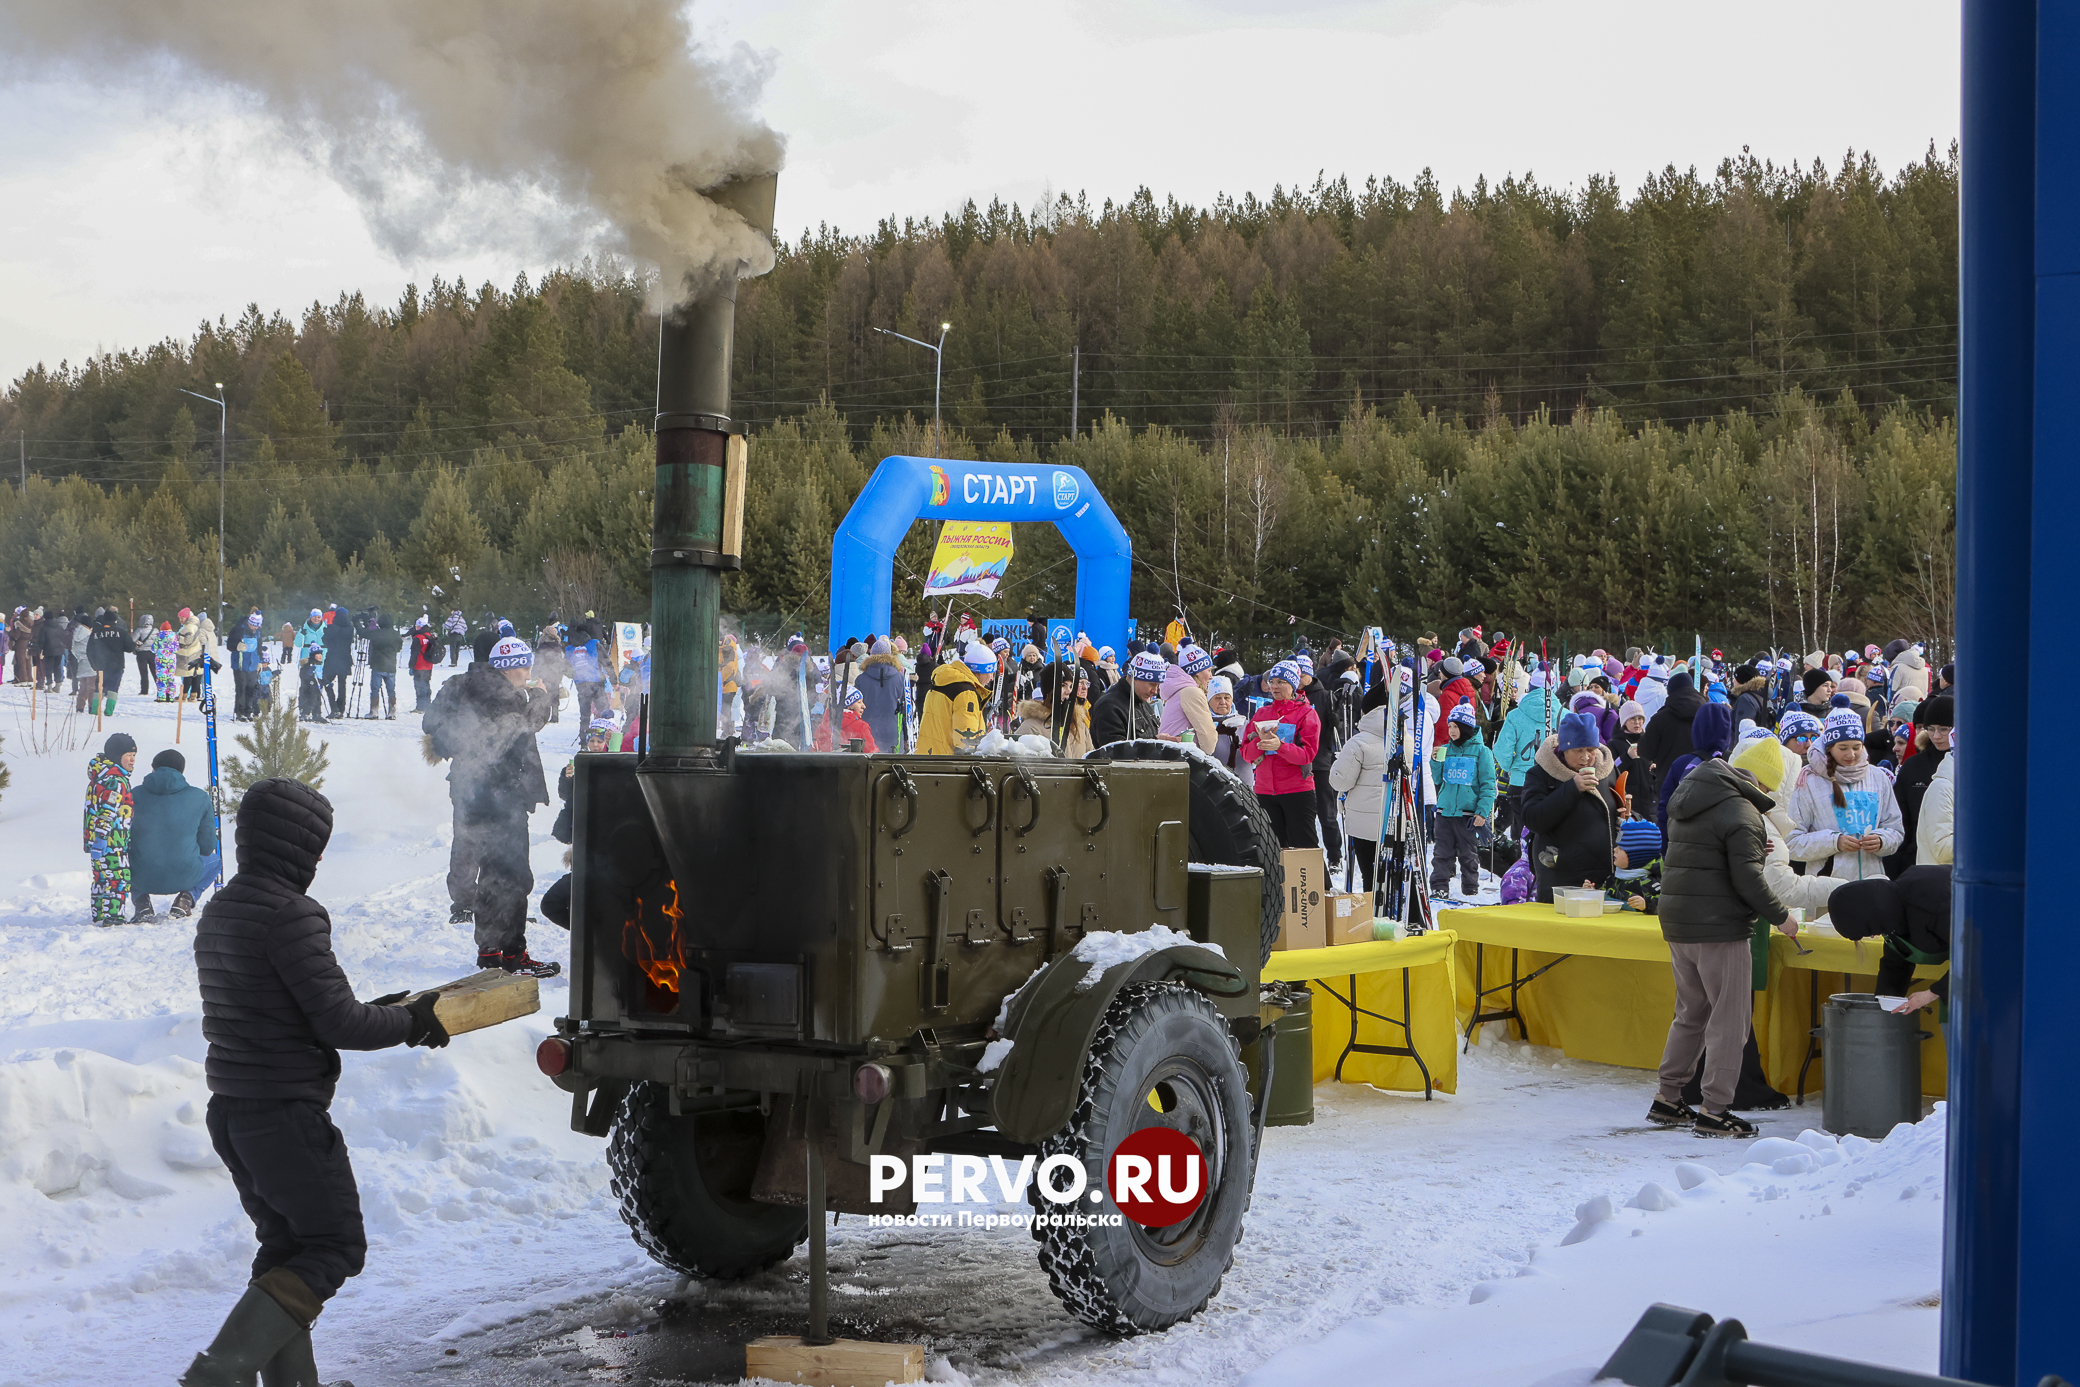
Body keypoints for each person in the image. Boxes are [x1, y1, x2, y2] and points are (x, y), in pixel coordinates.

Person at [180, 777, 447, 1387]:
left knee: (286, 1249)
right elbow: (336, 1019)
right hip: (284, 1116)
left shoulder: (222, 908)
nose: (319, 861)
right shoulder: (291, 912)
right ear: (295, 846)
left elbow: (283, 1006)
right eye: (316, 847)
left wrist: (381, 1011)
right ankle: (220, 1374)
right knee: (334, 1245)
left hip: (235, 1110)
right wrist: (411, 1022)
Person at [1649, 728, 1796, 1137]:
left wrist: (1748, 846)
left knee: (1691, 1013)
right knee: (1730, 1020)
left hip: (1679, 923)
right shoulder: (1743, 812)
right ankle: (1715, 1109)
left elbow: (1705, 853)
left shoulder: (1694, 797)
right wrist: (1783, 916)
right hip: (1719, 927)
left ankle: (1668, 1097)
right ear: (1763, 782)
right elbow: (1748, 880)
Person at [422, 634, 559, 975]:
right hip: (501, 794)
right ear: (509, 668)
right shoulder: (500, 693)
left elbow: (430, 722)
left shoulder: (462, 684)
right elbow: (529, 722)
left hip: (470, 791)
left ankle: (489, 951)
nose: (528, 673)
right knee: (511, 875)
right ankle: (513, 954)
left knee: (491, 873)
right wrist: (540, 695)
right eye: (525, 666)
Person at [1785, 704, 1905, 882]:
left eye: (1857, 747)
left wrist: (1882, 840)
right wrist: (1834, 842)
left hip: (1872, 884)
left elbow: (1895, 829)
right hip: (1826, 888)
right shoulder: (1809, 780)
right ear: (1829, 747)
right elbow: (1792, 842)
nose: (1851, 754)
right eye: (1843, 748)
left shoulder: (1878, 777)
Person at [1520, 711, 1619, 904]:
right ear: (1564, 749)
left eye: (1591, 750)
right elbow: (1533, 819)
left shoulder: (1608, 770)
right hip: (1561, 874)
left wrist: (1627, 816)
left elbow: (1619, 802)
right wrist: (1572, 789)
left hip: (1604, 874)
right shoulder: (1541, 773)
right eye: (1578, 750)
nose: (1586, 757)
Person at [1829, 866, 1952, 1017]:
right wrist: (1883, 1009)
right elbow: (1895, 967)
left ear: (1871, 916)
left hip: (1982, 969)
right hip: (1960, 981)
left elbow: (1979, 954)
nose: (1873, 936)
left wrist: (1933, 993)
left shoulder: (1931, 899)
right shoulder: (1892, 913)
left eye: (1869, 930)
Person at [130, 748, 220, 923]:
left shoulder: (133, 795)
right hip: (185, 873)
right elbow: (208, 845)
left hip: (141, 875)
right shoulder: (199, 797)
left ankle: (141, 902)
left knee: (125, 857)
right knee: (216, 861)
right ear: (182, 770)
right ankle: (186, 899)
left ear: (153, 768)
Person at [1241, 660, 1322, 850]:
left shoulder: (1307, 714)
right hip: (1265, 792)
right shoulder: (1262, 713)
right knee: (1272, 851)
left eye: (1281, 682)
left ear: (1293, 685)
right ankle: (1278, 882)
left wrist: (1280, 746)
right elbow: (1246, 754)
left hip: (1297, 791)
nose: (1275, 686)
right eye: (1272, 681)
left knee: (1305, 850)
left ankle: (1316, 882)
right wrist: (1259, 742)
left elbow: (1307, 755)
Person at [1429, 702, 1497, 899]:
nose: (1451, 731)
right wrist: (1435, 762)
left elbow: (1488, 785)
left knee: (1468, 855)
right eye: (1450, 726)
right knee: (1441, 854)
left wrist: (1482, 812)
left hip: (1467, 815)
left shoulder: (1482, 752)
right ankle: (1439, 887)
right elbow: (1437, 780)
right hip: (1445, 812)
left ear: (1466, 727)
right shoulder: (1445, 749)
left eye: (1456, 727)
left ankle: (1470, 889)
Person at [1329, 681, 1391, 893]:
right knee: (1391, 876)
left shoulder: (1358, 742)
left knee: (1370, 875)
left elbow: (1340, 781)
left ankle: (1371, 915)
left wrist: (1336, 765)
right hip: (1396, 821)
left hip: (1365, 824)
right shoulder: (1406, 739)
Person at [1885, 690, 1951, 876]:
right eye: (1930, 729)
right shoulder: (1913, 765)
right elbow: (1899, 819)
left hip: (1954, 861)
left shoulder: (1971, 767)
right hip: (1915, 865)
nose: (1936, 736)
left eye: (1943, 729)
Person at [84, 733, 138, 926]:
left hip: (97, 841)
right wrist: (101, 838)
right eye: (128, 755)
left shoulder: (99, 777)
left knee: (100, 879)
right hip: (111, 841)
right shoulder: (116, 781)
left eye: (134, 755)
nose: (132, 759)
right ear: (116, 756)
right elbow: (108, 811)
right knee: (119, 879)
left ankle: (99, 916)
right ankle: (114, 917)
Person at [1638, 668, 1706, 812]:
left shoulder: (1661, 718)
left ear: (1669, 691)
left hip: (1669, 781)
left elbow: (1645, 751)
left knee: (1668, 827)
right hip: (1703, 780)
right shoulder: (1707, 714)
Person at [916, 646, 994, 754]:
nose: (992, 678)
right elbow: (966, 737)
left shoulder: (944, 681)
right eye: (991, 673)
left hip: (928, 754)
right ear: (980, 671)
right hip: (948, 762)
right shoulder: (966, 693)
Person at [1090, 650, 1165, 746]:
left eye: (1158, 686)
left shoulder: (1142, 702)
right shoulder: (1109, 706)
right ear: (1136, 678)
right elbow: (1114, 752)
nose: (1155, 691)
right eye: (1152, 684)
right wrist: (1155, 743)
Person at [1159, 643, 1218, 747]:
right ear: (1198, 671)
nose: (1211, 676)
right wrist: (1205, 756)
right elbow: (1208, 735)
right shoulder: (1191, 692)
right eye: (1209, 670)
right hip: (1181, 755)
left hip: (1171, 753)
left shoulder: (1179, 690)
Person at [857, 638, 907, 754]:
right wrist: (906, 737)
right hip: (893, 729)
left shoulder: (861, 679)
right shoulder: (899, 678)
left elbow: (855, 708)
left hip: (867, 729)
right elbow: (905, 710)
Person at [364, 613, 402, 720]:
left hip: (378, 665)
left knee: (375, 689)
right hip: (390, 666)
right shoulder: (396, 634)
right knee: (391, 690)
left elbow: (363, 633)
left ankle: (374, 711)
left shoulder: (377, 633)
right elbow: (399, 648)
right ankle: (392, 712)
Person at [230, 611, 266, 721]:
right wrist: (236, 646)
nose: (255, 627)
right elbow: (229, 645)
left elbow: (259, 647)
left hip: (253, 664)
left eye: (257, 626)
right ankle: (240, 711)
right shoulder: (238, 629)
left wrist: (260, 660)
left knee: (251, 688)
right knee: (241, 687)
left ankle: (249, 710)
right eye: (254, 625)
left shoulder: (258, 633)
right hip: (240, 664)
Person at [321, 606, 354, 717]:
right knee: (342, 685)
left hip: (332, 659)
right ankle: (341, 709)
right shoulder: (350, 629)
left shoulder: (331, 628)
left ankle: (334, 708)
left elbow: (324, 641)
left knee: (326, 682)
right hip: (345, 659)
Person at [409, 616, 441, 713]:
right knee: (426, 684)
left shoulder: (418, 638)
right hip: (428, 665)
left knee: (419, 686)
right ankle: (427, 705)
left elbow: (414, 653)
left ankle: (420, 707)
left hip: (419, 665)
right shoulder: (430, 636)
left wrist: (411, 666)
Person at [132, 611, 157, 694]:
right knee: (155, 671)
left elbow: (132, 640)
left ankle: (144, 690)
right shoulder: (155, 630)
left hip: (142, 653)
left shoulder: (140, 630)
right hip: (153, 653)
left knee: (143, 672)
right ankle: (160, 688)